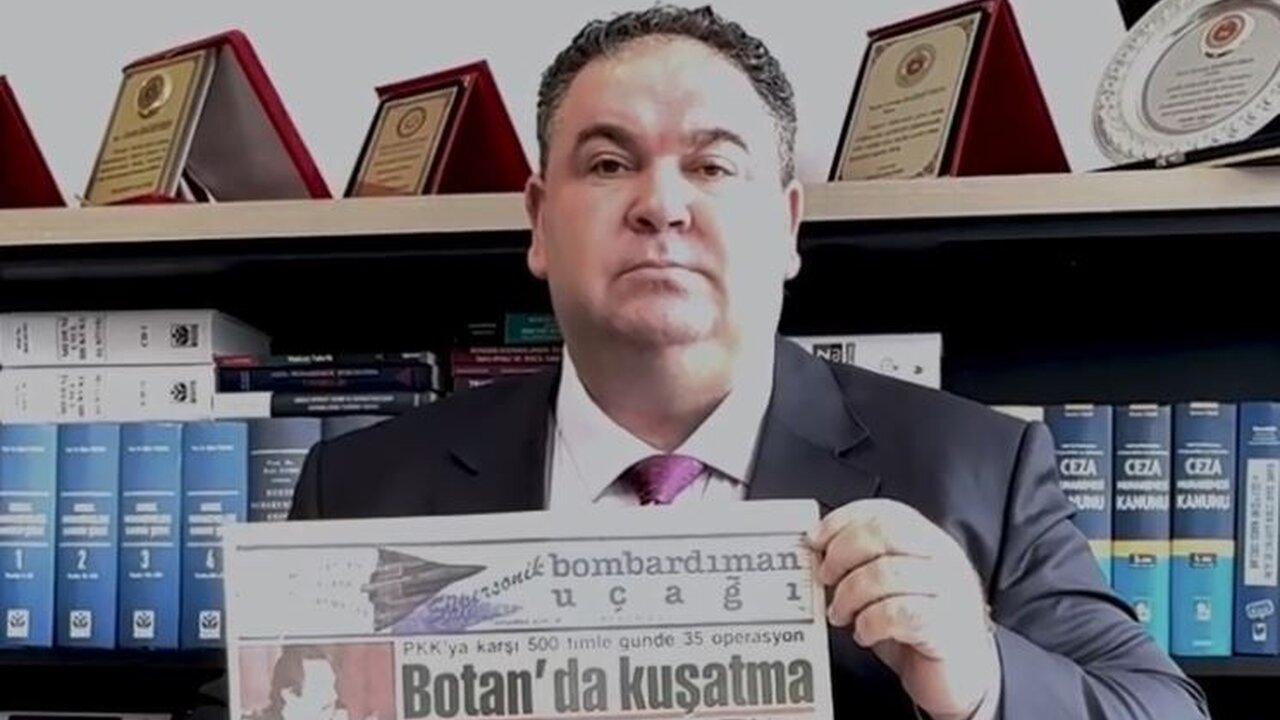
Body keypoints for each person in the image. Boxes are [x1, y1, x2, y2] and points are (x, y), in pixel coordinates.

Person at [288, 5, 1210, 719]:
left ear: (788, 225)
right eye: (607, 164)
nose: (660, 205)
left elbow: (1158, 707)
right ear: (537, 222)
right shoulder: (361, 489)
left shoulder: (975, 470)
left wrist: (980, 672)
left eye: (713, 167)